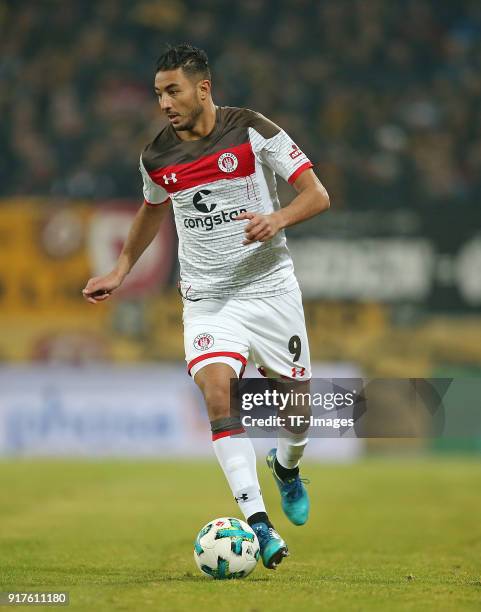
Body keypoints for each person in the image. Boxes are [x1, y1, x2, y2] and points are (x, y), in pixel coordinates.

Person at [83, 43, 330, 570]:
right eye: (157, 94)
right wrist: (121, 269)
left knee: (298, 411)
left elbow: (317, 194)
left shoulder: (251, 130)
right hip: (207, 299)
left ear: (203, 88)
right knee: (219, 394)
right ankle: (259, 526)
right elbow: (152, 210)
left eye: (173, 91)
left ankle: (287, 468)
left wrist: (278, 220)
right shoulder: (157, 156)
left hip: (270, 290)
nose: (164, 103)